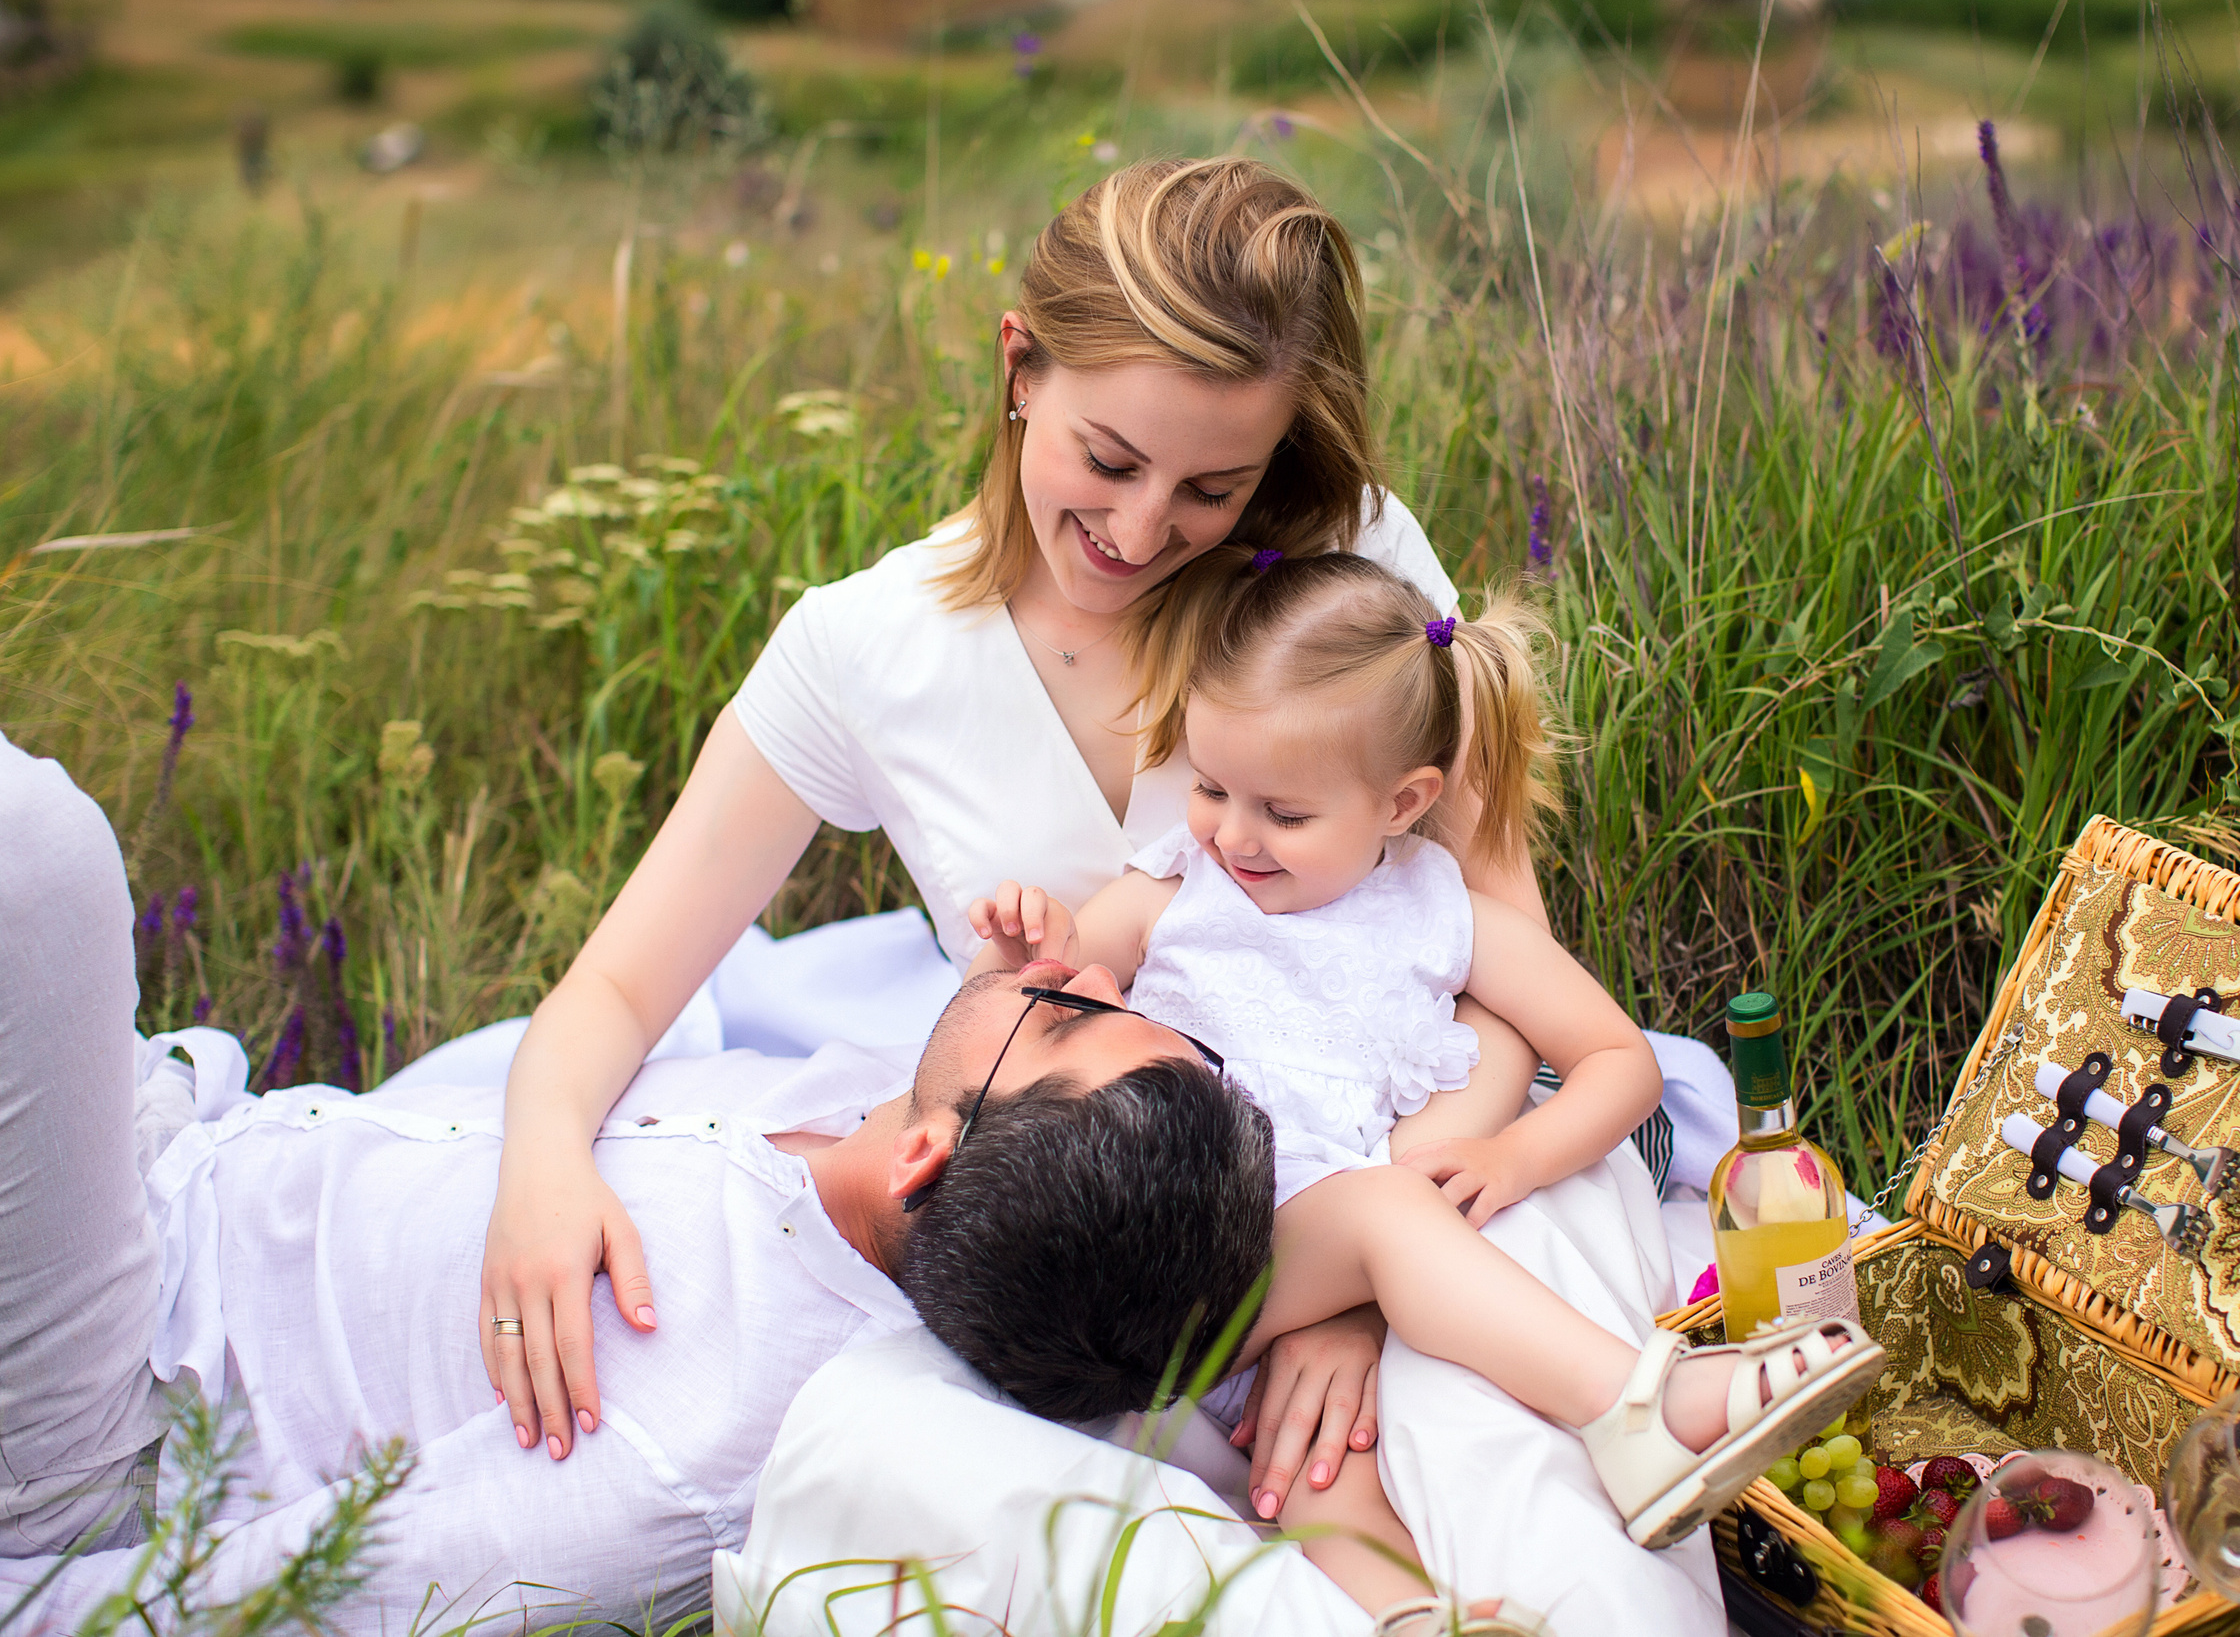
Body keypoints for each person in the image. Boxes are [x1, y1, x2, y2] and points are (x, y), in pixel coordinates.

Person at [478, 156, 1562, 1515]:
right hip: (1109, 1260)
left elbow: (1494, 938)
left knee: (1508, 1480)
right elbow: (626, 980)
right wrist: (539, 1158)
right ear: (1021, 366)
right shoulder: (866, 649)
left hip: (1429, 1174)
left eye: (1213, 487)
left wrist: (1350, 1289)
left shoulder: (1345, 572)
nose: (1139, 528)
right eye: (1107, 458)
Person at [0, 731, 1276, 1632]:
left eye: (1063, 1015)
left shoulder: (690, 1450)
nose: (1102, 973)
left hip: (113, 1400)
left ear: (926, 1157)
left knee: (33, 851)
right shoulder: (888, 1121)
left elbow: (281, 1601)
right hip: (182, 1140)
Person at [964, 553, 1882, 1607]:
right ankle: (1638, 1411)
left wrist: (1515, 1151)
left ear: (1403, 801)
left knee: (1316, 1473)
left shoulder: (1441, 918)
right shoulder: (1180, 886)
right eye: (1211, 785)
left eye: (1283, 812)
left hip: (1270, 1283)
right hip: (1166, 1232)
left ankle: (1407, 1617)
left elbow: (1616, 1058)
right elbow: (1065, 988)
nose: (1231, 832)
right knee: (1389, 1222)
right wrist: (1031, 943)